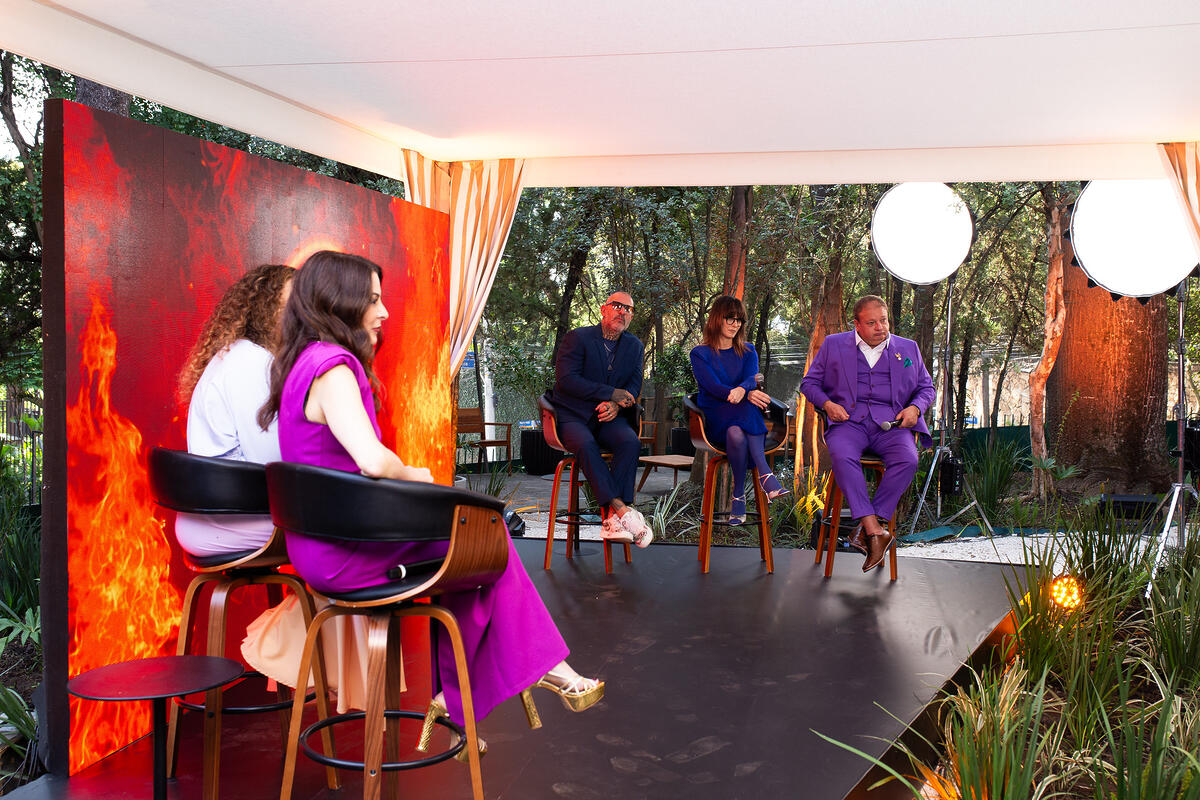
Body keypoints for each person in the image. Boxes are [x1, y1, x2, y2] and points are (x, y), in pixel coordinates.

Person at [256, 250, 603, 754]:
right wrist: (415, 474)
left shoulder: (299, 365)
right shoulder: (331, 366)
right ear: (340, 302)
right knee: (484, 538)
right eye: (373, 299)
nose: (384, 312)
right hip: (347, 552)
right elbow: (372, 461)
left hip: (324, 546)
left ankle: (459, 692)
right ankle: (517, 675)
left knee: (472, 551)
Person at [800, 295, 935, 571]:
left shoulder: (908, 349)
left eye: (883, 320)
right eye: (872, 322)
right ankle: (875, 530)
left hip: (892, 426)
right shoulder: (834, 345)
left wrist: (915, 409)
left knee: (908, 460)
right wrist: (828, 404)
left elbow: (926, 388)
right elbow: (809, 383)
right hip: (849, 422)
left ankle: (868, 531)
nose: (880, 327)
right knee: (842, 456)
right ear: (857, 324)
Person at [174, 263, 293, 556]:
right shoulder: (253, 363)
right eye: (295, 306)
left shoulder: (234, 356)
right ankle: (301, 604)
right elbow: (271, 464)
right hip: (231, 522)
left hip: (206, 519)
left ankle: (297, 602)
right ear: (266, 311)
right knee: (343, 525)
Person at [550, 291, 653, 545]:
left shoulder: (634, 346)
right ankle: (620, 511)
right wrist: (610, 393)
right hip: (572, 415)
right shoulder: (577, 338)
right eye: (617, 306)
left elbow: (634, 386)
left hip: (608, 417)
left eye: (628, 309)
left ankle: (611, 522)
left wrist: (617, 406)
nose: (622, 312)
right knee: (586, 445)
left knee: (629, 441)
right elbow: (566, 380)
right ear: (603, 309)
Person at [689, 295, 788, 525]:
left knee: (736, 431)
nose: (735, 324)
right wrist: (742, 393)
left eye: (739, 320)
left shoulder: (748, 350)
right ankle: (766, 476)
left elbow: (750, 378)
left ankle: (739, 495)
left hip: (737, 420)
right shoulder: (700, 353)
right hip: (714, 415)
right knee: (745, 408)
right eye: (729, 318)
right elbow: (713, 386)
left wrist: (744, 390)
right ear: (716, 319)